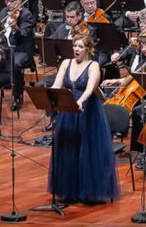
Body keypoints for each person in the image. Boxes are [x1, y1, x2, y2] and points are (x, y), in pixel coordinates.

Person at [48, 34, 120, 203]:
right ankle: (70, 190)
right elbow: (57, 85)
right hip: (68, 111)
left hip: (87, 111)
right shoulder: (66, 63)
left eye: (80, 46)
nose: (76, 49)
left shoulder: (93, 66)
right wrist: (47, 94)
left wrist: (80, 100)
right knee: (68, 149)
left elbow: (89, 89)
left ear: (88, 49)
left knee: (86, 150)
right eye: (75, 46)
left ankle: (88, 192)